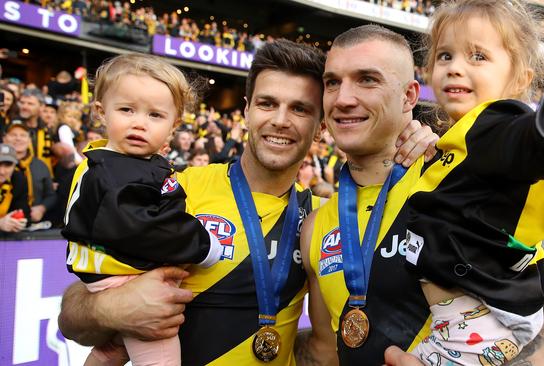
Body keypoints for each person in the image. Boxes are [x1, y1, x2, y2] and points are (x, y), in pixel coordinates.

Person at [57, 39, 436, 365]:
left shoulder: (319, 224)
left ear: (321, 125)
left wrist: (423, 142)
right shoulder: (177, 189)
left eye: (300, 109)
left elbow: (324, 349)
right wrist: (111, 309)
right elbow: (73, 312)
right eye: (267, 103)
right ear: (246, 111)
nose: (281, 121)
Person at [300, 23, 544, 366]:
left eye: (367, 79)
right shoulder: (315, 228)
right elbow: (325, 351)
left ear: (410, 96)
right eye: (332, 83)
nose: (343, 99)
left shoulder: (461, 183)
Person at [402, 1, 544, 365]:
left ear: (520, 80)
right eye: (445, 56)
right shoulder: (460, 141)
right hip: (478, 318)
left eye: (478, 57)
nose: (455, 68)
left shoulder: (496, 124)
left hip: (479, 325)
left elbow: (531, 143)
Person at [61, 53, 223, 366]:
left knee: (115, 349)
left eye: (155, 115)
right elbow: (144, 228)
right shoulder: (113, 170)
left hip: (119, 270)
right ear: (101, 112)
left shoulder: (130, 164)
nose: (139, 122)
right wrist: (202, 244)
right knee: (160, 354)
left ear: (174, 125)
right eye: (126, 110)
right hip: (124, 276)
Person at [3, 121, 56, 223]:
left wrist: (42, 208)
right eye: (13, 135)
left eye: (23, 135)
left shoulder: (40, 165)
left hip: (34, 225)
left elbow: (51, 195)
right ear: (4, 138)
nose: (18, 138)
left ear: (29, 140)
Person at [16, 88, 55, 175]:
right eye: (22, 103)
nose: (24, 107)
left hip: (44, 178)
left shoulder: (48, 129)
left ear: (41, 107)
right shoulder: (12, 127)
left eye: (30, 104)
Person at [0, 143, 30, 232]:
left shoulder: (18, 179)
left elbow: (23, 210)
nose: (2, 171)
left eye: (8, 165)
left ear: (14, 166)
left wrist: (19, 222)